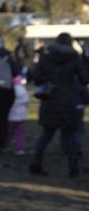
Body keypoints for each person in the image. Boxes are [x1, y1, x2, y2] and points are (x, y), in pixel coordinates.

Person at [28, 32, 89, 177]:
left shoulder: (46, 56)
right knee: (70, 135)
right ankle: (73, 167)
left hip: (50, 98)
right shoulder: (75, 57)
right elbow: (84, 79)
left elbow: (36, 76)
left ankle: (37, 163)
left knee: (46, 134)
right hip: (68, 99)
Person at [9, 75, 29, 155]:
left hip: (11, 115)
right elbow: (26, 101)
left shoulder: (10, 89)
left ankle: (3, 145)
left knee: (8, 131)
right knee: (20, 133)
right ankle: (20, 148)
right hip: (21, 115)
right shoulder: (23, 90)